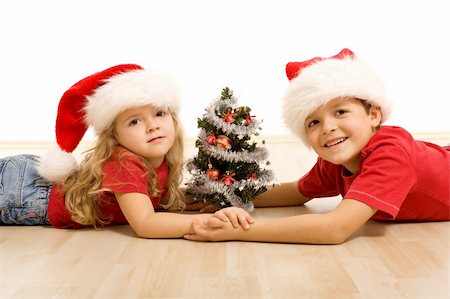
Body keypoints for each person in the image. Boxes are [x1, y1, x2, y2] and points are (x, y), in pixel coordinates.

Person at [184, 48, 450, 244]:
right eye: (313, 122)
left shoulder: (390, 156)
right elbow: (297, 192)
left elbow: (334, 228)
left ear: (374, 115)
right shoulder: (337, 160)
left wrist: (240, 232)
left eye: (341, 112)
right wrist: (224, 198)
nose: (327, 127)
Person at [0, 64, 252, 238]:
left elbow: (153, 197)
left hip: (32, 181)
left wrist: (205, 200)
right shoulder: (123, 163)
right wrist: (213, 220)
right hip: (24, 194)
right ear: (115, 136)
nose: (152, 125)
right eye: (135, 121)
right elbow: (146, 223)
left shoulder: (154, 156)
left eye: (159, 113)